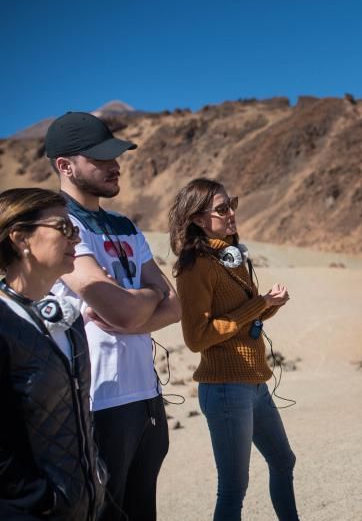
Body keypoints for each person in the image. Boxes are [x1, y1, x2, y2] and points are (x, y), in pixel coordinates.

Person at [44, 112, 182, 521]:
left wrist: (136, 306)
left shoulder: (124, 225)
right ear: (64, 166)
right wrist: (145, 299)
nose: (115, 164)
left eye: (115, 155)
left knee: (143, 510)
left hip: (146, 395)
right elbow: (116, 306)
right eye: (100, 158)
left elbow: (174, 303)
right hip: (96, 400)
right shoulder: (57, 223)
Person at [168, 178, 297, 521]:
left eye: (232, 205)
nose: (231, 214)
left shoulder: (231, 254)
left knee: (284, 461)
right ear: (197, 218)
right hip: (225, 387)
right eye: (222, 209)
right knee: (233, 489)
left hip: (254, 383)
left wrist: (271, 304)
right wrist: (258, 306)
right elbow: (197, 337)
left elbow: (243, 314)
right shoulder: (195, 266)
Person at [0, 188, 105, 520]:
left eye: (76, 229)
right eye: (64, 228)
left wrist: (97, 475)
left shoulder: (66, 319)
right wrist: (39, 500)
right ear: (21, 238)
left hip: (84, 504)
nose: (76, 239)